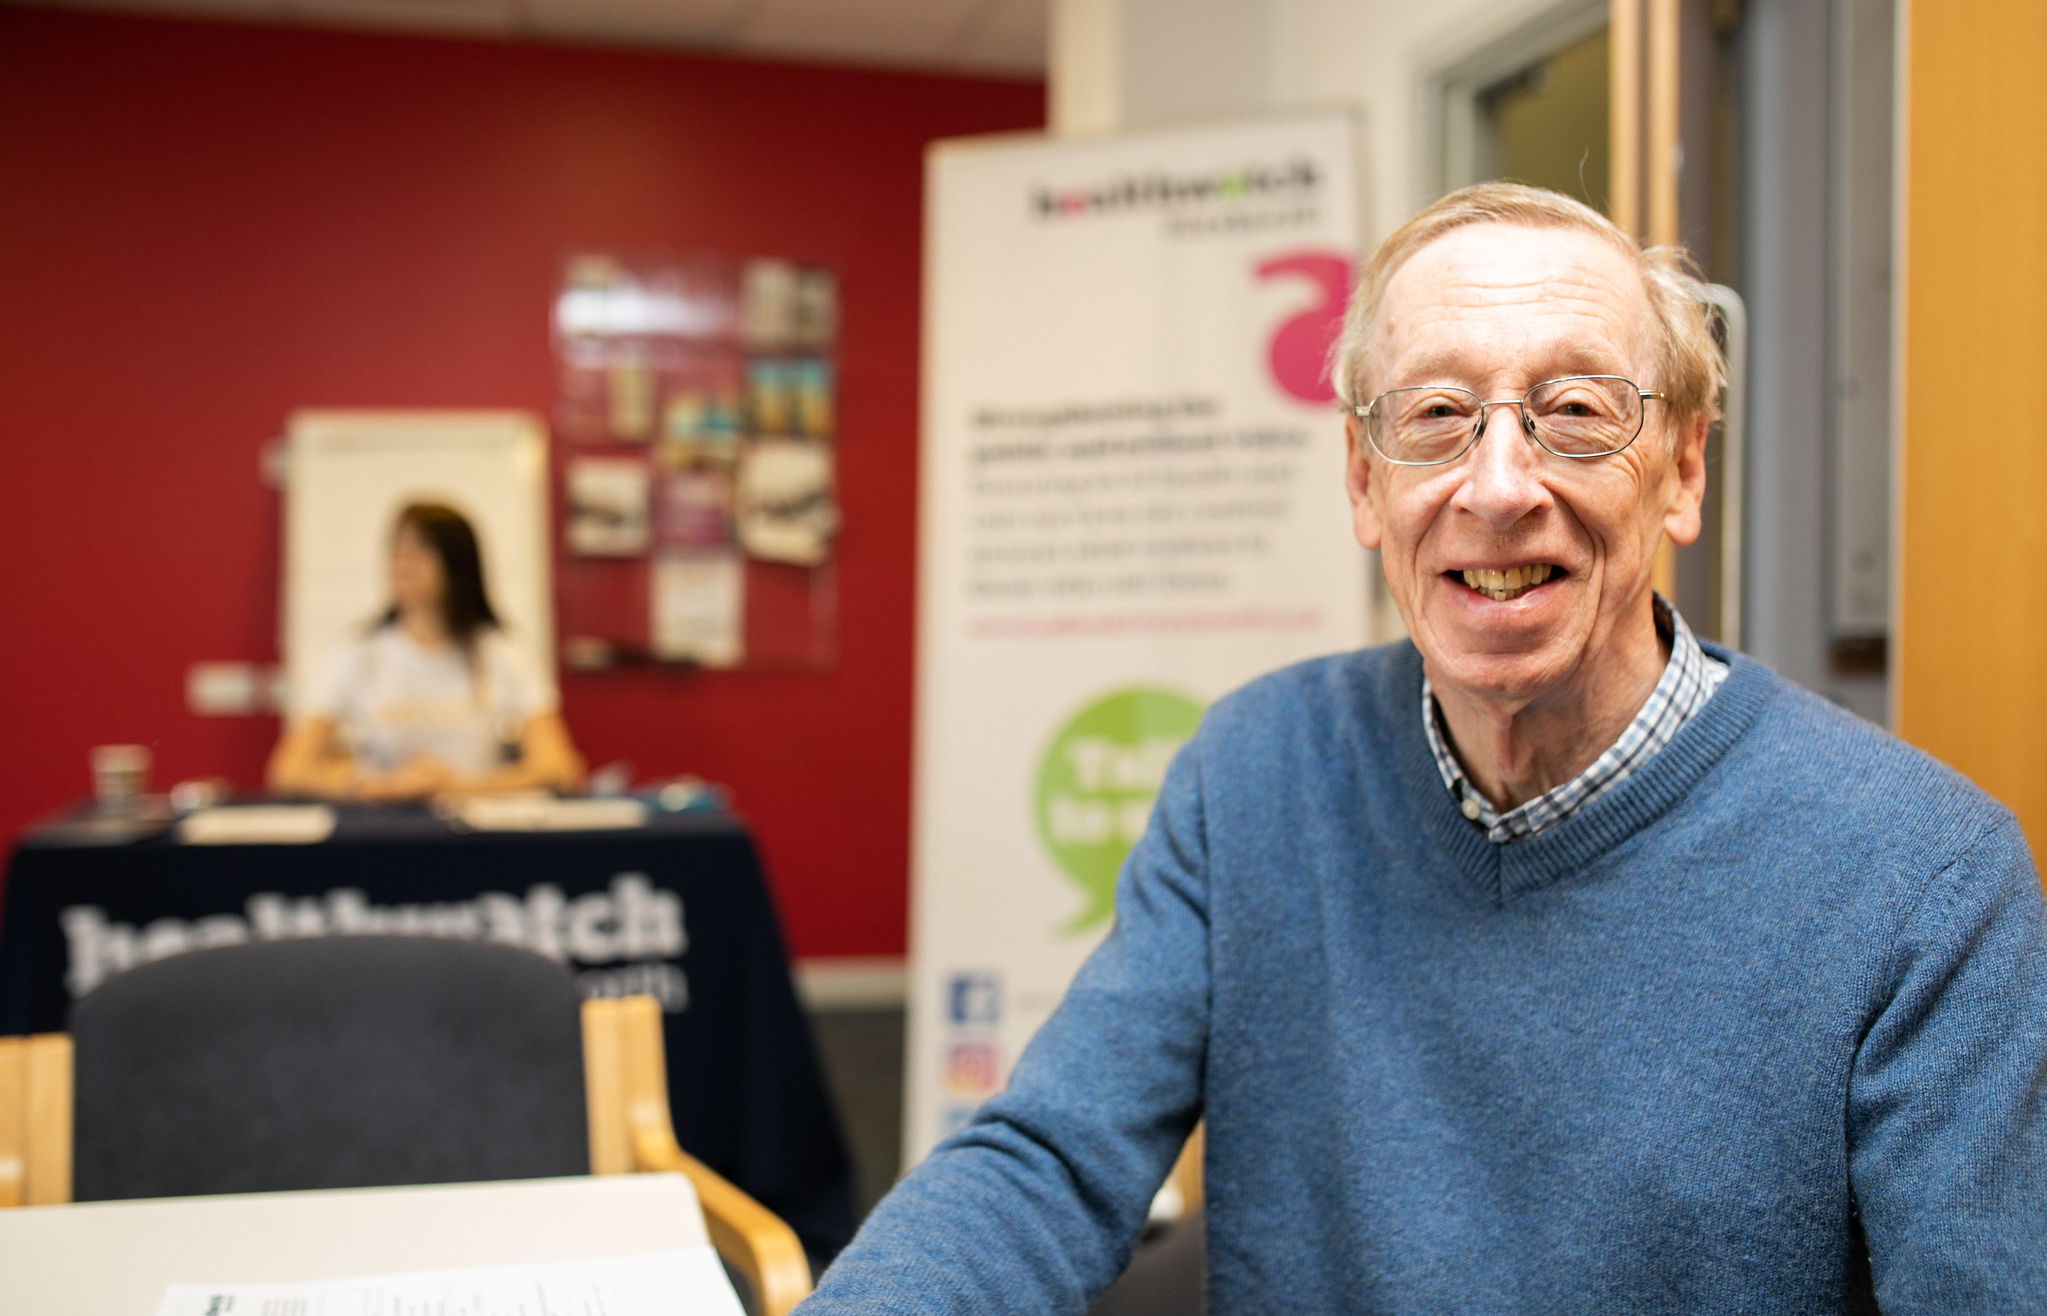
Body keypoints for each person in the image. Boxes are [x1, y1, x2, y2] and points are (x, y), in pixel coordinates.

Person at [800, 184, 2047, 1312]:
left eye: (1573, 412)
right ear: (1360, 481)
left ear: (1680, 469)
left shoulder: (1925, 880)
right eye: (1437, 416)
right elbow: (1050, 1159)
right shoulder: (1252, 773)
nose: (1498, 485)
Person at [267, 501, 584, 800]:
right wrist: (377, 785)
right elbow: (290, 770)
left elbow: (559, 767)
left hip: (474, 832)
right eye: (397, 550)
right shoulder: (357, 651)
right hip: (382, 831)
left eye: (420, 550)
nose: (403, 563)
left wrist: (462, 787)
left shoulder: (501, 651)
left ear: (457, 563)